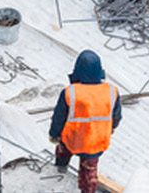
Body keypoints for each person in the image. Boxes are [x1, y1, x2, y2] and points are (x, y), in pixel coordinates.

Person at [49, 50, 122, 193]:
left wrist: (54, 134)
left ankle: (59, 171)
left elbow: (59, 117)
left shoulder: (70, 92)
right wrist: (111, 128)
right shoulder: (112, 91)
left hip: (72, 138)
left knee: (62, 153)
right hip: (95, 141)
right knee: (89, 173)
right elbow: (117, 116)